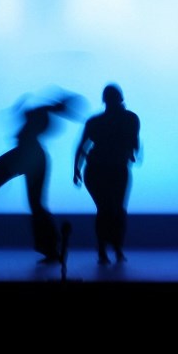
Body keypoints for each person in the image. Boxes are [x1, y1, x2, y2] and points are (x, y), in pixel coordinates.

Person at [0, 90, 83, 263]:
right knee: (34, 203)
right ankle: (51, 247)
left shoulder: (42, 114)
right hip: (31, 155)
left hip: (27, 155)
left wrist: (46, 103)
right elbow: (33, 112)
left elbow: (32, 112)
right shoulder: (44, 114)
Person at [73, 84, 140, 264]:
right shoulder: (131, 119)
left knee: (108, 210)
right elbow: (135, 143)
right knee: (114, 210)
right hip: (112, 168)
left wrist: (76, 169)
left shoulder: (96, 121)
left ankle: (107, 250)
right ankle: (112, 249)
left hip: (99, 169)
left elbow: (82, 146)